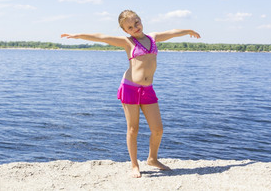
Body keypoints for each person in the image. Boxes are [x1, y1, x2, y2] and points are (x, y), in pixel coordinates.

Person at [61, 10, 200, 178]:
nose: (135, 27)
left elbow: (171, 32)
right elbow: (101, 37)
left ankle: (152, 159)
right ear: (125, 30)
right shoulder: (128, 42)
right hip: (130, 88)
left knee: (158, 129)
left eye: (137, 22)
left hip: (148, 90)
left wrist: (188, 31)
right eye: (130, 27)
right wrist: (78, 35)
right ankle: (134, 165)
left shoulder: (152, 37)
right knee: (133, 129)